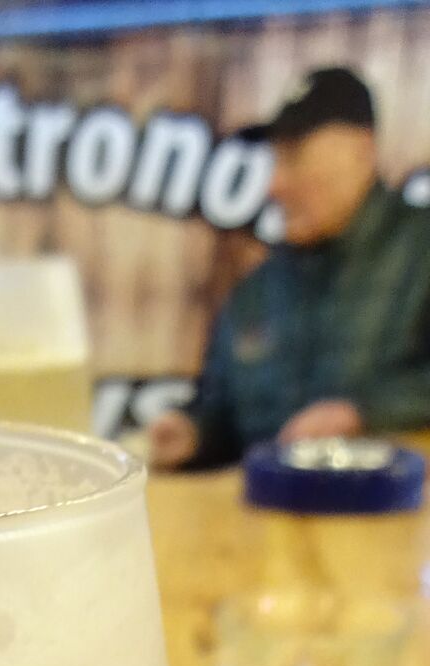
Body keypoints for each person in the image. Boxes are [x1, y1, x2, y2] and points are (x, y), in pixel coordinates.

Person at [149, 68, 430, 470]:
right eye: (274, 159)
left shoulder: (420, 251)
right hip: (265, 506)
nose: (274, 184)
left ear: (361, 151)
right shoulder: (256, 290)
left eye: (293, 157)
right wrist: (193, 433)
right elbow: (220, 409)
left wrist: (363, 414)